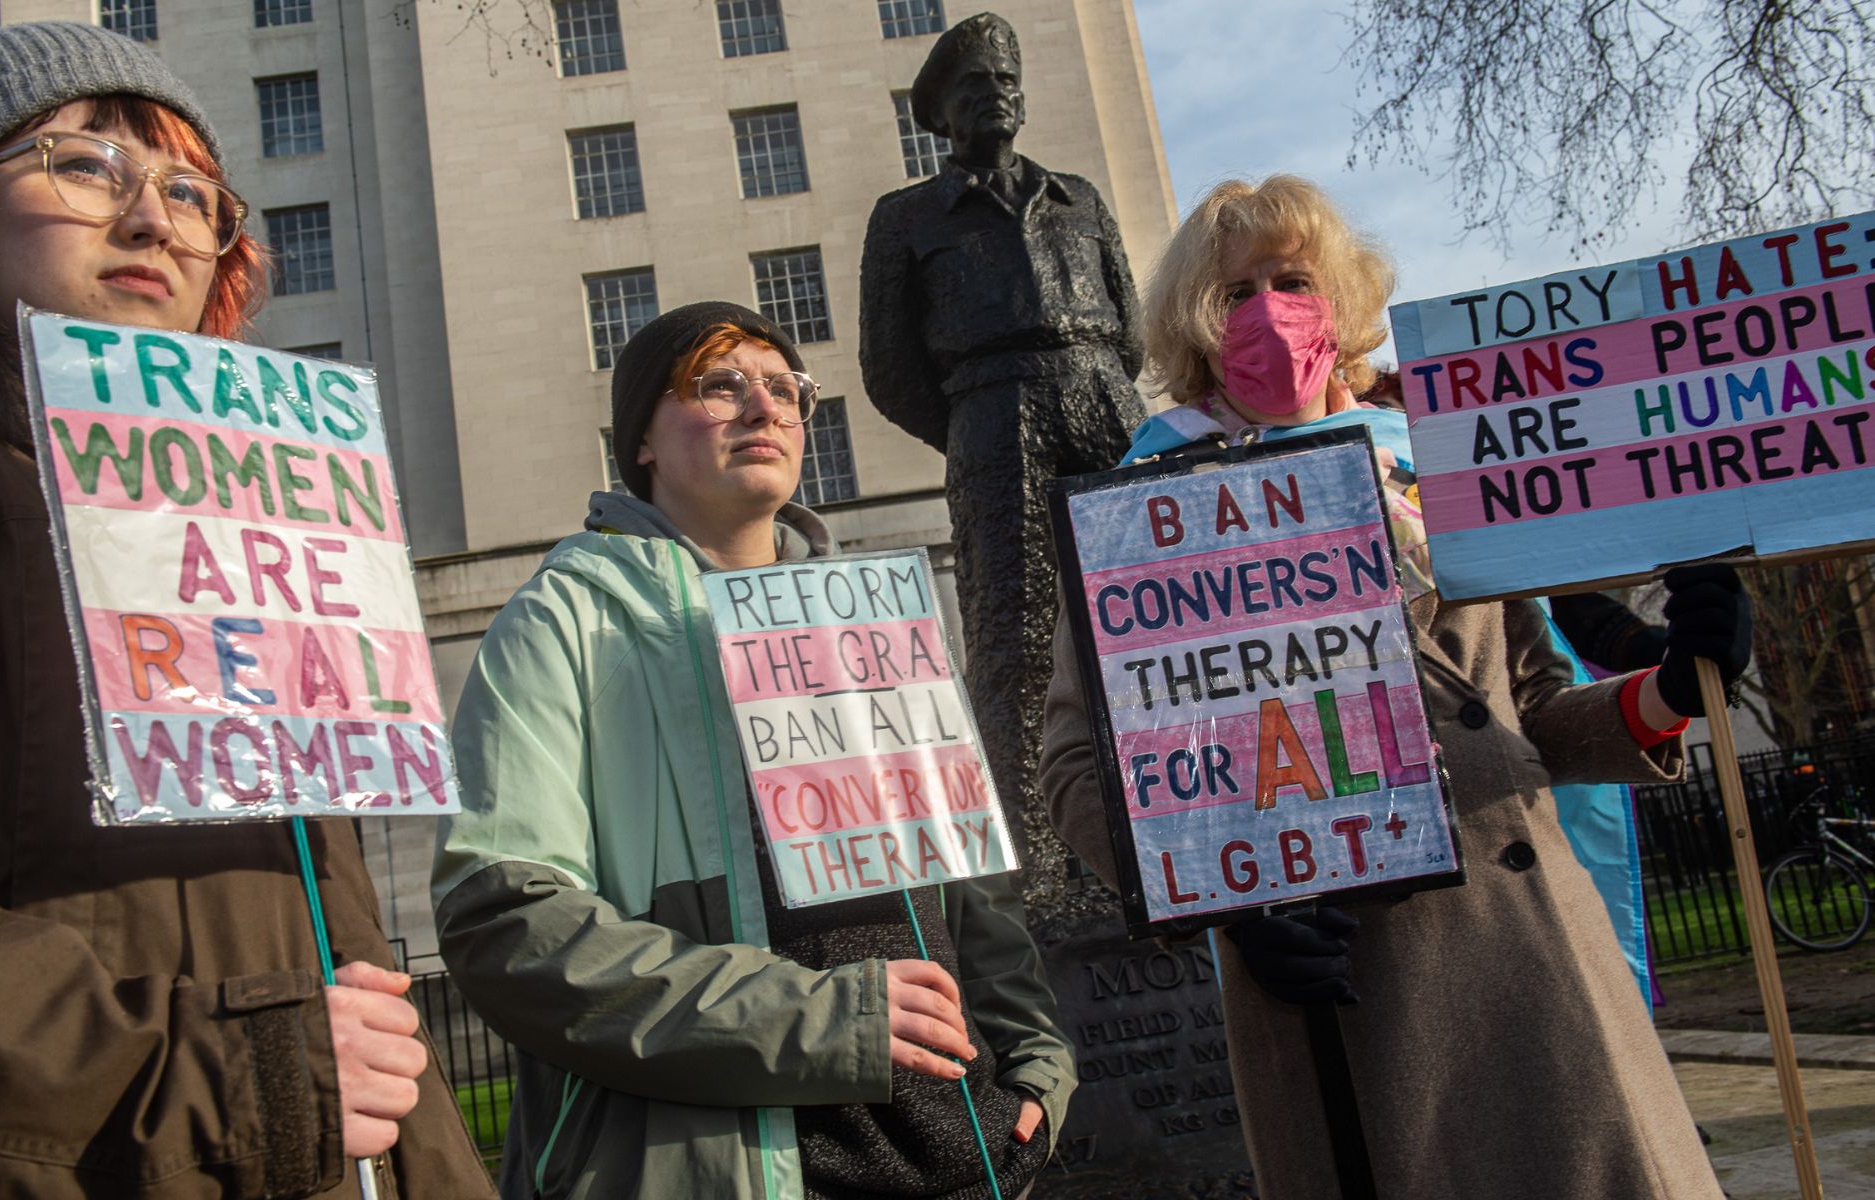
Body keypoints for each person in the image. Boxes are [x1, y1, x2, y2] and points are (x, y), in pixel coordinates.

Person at [1040, 176, 1748, 1198]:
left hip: (1527, 941)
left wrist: (1675, 687)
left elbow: (1535, 711)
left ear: (1342, 298)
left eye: (1294, 280)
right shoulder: (1139, 503)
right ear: (1197, 321)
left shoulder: (1443, 468)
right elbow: (1074, 768)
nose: (1272, 311)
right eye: (1238, 292)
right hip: (1334, 977)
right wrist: (1229, 904)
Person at [0, 23, 489, 1197]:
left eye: (191, 190)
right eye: (82, 165)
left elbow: (346, 972)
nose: (154, 219)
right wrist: (214, 1073)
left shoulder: (260, 530)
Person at [433, 301, 1074, 1200]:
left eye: (784, 389)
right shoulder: (566, 618)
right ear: (642, 441)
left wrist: (1037, 1069)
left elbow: (975, 896)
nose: (764, 408)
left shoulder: (869, 621)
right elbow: (503, 920)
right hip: (735, 1170)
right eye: (720, 385)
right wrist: (821, 1020)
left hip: (961, 1161)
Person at [859, 12, 1145, 863]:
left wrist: (1096, 384)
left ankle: (1174, 815)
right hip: (991, 408)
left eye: (1006, 85)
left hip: (1103, 388)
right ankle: (1049, 869)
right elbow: (890, 369)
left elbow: (1130, 328)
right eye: (976, 88)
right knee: (1015, 634)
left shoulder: (1080, 198)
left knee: (1151, 597)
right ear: (942, 115)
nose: (997, 99)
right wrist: (972, 431)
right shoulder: (906, 216)